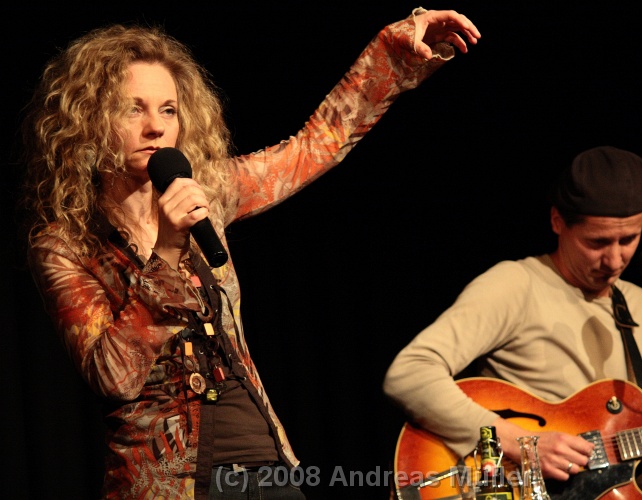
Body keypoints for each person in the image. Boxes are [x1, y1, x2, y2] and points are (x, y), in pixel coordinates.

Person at [19, 8, 480, 499]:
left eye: (168, 110)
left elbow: (315, 145)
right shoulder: (66, 243)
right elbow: (113, 376)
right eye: (133, 109)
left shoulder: (210, 192)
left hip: (266, 461)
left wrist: (389, 52)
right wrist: (168, 251)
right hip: (170, 483)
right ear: (91, 119)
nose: (155, 127)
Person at [383, 146, 642, 497]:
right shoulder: (516, 285)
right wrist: (521, 444)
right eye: (597, 242)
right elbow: (411, 373)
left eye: (629, 239)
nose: (615, 260)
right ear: (558, 221)